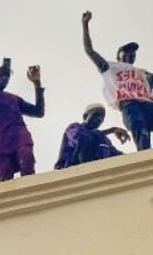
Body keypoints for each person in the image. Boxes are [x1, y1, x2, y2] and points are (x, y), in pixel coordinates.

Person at [82, 11, 153, 150]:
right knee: (142, 132)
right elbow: (90, 51)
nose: (132, 54)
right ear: (119, 55)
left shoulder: (143, 73)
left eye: (133, 53)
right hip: (130, 105)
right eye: (128, 52)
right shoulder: (111, 68)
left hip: (147, 104)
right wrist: (85, 25)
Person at [0, 61, 45, 181]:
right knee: (5, 177)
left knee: (26, 158)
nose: (5, 80)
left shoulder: (13, 98)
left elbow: (38, 111)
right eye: (2, 76)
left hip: (19, 137)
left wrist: (37, 83)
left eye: (7, 78)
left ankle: (30, 191)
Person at [55, 103, 128, 169]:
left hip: (99, 173)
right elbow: (80, 137)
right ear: (85, 116)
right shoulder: (74, 127)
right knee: (86, 138)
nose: (100, 119)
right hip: (74, 170)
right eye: (96, 115)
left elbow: (115, 154)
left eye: (102, 117)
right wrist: (111, 130)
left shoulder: (104, 140)